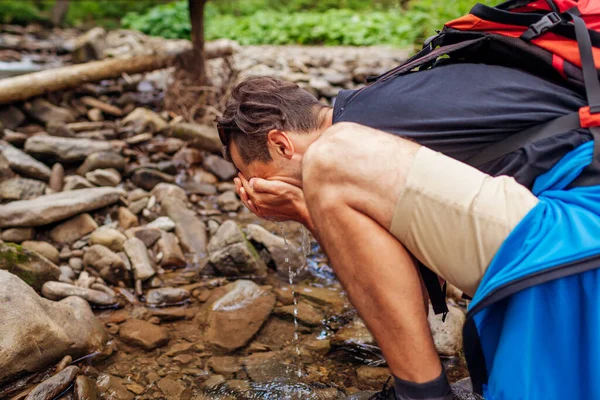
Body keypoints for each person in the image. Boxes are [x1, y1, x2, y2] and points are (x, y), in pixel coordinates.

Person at [215, 64, 591, 400]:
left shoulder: (347, 143)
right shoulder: (382, 109)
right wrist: (307, 212)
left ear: (281, 144)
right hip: (566, 218)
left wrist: (303, 205)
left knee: (329, 159)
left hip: (575, 226)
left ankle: (422, 395)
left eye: (251, 176)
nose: (250, 188)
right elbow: (405, 299)